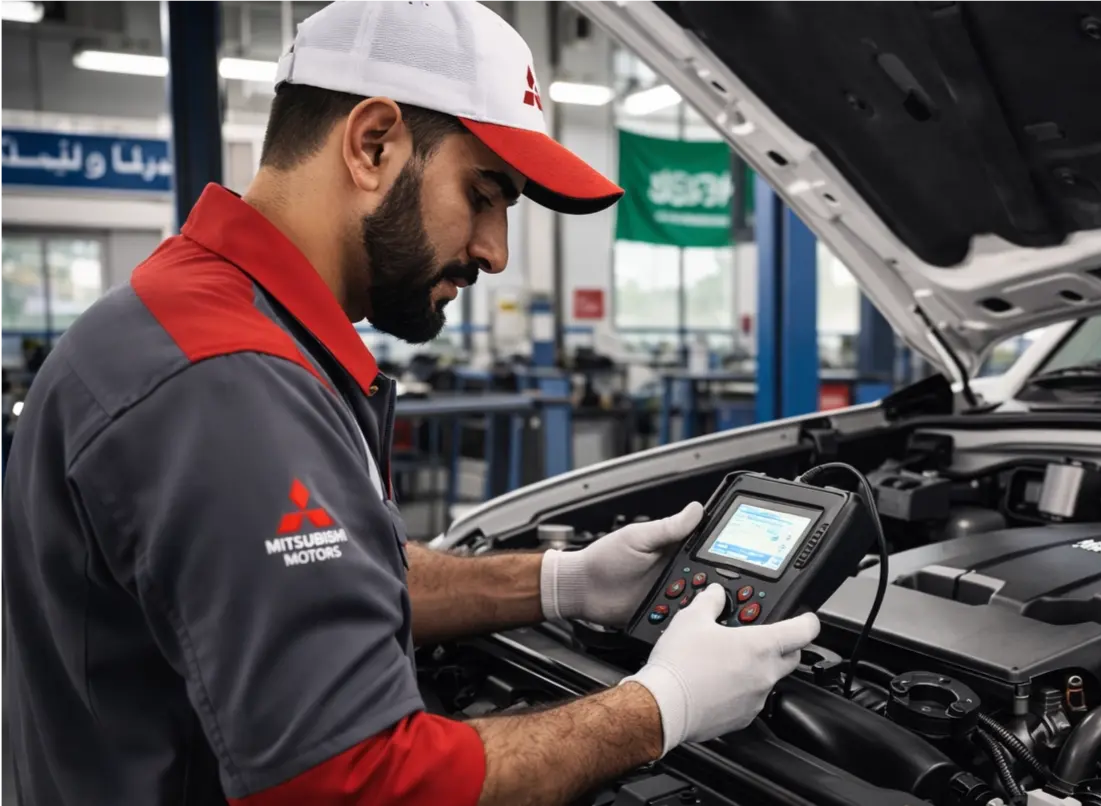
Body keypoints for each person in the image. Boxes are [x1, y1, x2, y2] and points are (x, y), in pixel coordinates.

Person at [0, 1, 821, 804]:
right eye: (485, 194)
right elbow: (355, 782)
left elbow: (331, 587)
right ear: (373, 144)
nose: (496, 251)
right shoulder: (226, 383)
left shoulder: (201, 321)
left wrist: (562, 583)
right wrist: (660, 708)